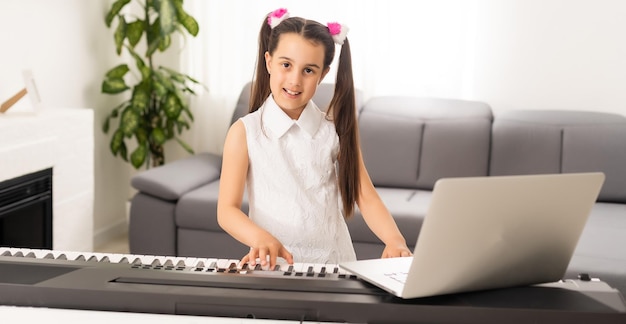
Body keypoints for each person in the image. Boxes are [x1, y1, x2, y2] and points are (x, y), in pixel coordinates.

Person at [217, 8, 411, 269]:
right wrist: (260, 238)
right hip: (274, 266)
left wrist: (394, 239)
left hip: (334, 264)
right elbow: (226, 211)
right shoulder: (245, 132)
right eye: (286, 65)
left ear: (324, 74)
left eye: (309, 70)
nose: (295, 80)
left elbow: (365, 195)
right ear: (268, 61)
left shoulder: (333, 131)